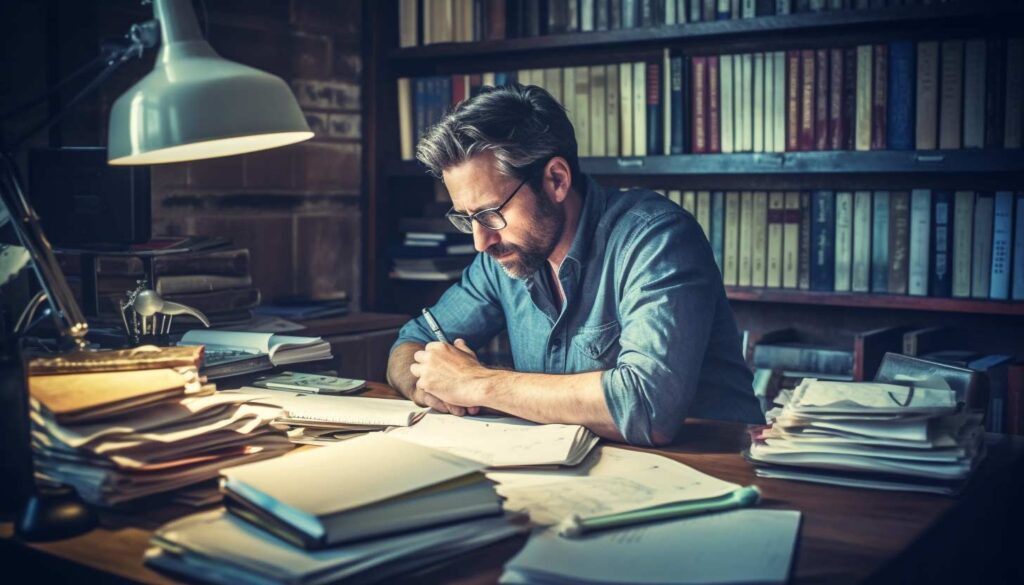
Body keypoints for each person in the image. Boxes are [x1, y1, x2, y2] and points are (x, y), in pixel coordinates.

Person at [386, 83, 764, 447]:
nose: (481, 241)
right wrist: (433, 385)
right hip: (581, 473)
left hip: (717, 473)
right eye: (468, 218)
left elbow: (650, 407)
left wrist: (477, 383)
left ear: (556, 180)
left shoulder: (656, 238)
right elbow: (410, 342)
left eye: (490, 213)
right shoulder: (504, 257)